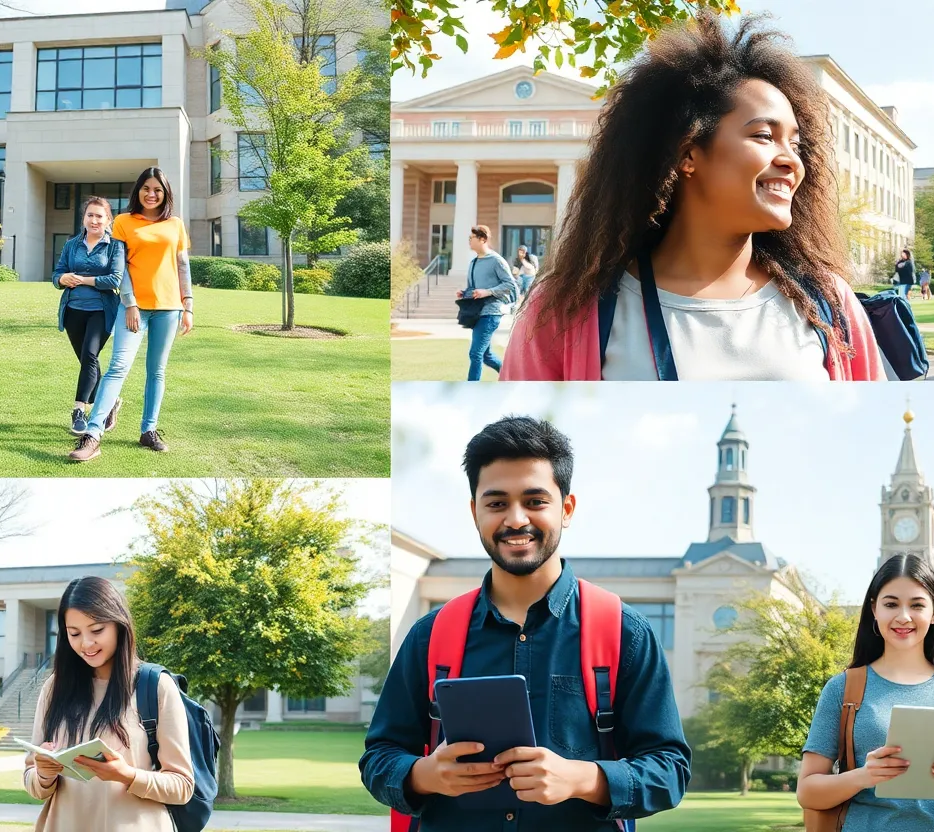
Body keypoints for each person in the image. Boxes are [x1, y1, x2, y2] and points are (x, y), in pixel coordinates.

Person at [499, 13, 882, 381]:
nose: (791, 161)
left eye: (796, 144)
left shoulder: (829, 302)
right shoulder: (565, 312)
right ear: (687, 154)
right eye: (764, 136)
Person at [359, 416, 691, 830]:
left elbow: (670, 770)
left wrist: (586, 779)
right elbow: (379, 757)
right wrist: (423, 775)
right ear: (475, 511)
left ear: (566, 509)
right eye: (496, 503)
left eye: (535, 501)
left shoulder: (625, 633)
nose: (516, 519)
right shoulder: (431, 635)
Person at [796, 554, 934, 830]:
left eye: (916, 605)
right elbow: (806, 791)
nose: (903, 616)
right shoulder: (842, 688)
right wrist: (864, 776)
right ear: (874, 609)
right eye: (891, 604)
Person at [23, 576, 193, 830]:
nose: (86, 644)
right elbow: (32, 781)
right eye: (74, 633)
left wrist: (127, 775)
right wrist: (44, 774)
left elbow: (182, 786)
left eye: (97, 630)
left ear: (119, 625)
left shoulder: (155, 686)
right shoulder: (55, 688)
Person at [69, 167, 194, 462]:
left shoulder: (175, 224)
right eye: (146, 189)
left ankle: (148, 431)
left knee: (157, 371)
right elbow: (120, 267)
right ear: (138, 191)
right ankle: (93, 433)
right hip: (133, 308)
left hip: (170, 307)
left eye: (158, 190)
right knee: (117, 368)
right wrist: (130, 303)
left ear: (165, 194)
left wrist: (188, 305)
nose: (151, 194)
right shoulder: (124, 222)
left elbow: (183, 266)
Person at [53, 197, 125, 436]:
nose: (94, 220)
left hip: (101, 311)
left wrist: (83, 280)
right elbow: (57, 274)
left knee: (90, 354)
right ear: (84, 218)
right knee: (88, 361)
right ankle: (111, 401)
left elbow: (115, 279)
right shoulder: (72, 244)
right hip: (73, 310)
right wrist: (62, 279)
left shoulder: (115, 245)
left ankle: (79, 411)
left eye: (99, 216)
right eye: (90, 215)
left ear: (108, 220)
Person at [455, 226, 517, 381]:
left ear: (483, 239)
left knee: (475, 353)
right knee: (486, 355)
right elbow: (473, 288)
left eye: (472, 238)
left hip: (491, 312)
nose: (469, 240)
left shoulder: (496, 261)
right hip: (476, 313)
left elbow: (510, 285)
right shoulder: (473, 263)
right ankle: (512, 378)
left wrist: (487, 292)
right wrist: (464, 293)